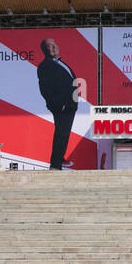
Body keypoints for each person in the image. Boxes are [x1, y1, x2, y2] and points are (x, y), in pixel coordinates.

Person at [36, 38, 79, 170]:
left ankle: (59, 158)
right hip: (62, 106)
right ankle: (55, 164)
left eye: (54, 44)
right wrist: (59, 105)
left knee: (64, 133)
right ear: (44, 50)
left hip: (70, 105)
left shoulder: (59, 62)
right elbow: (45, 88)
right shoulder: (45, 66)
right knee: (61, 133)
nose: (53, 47)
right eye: (49, 46)